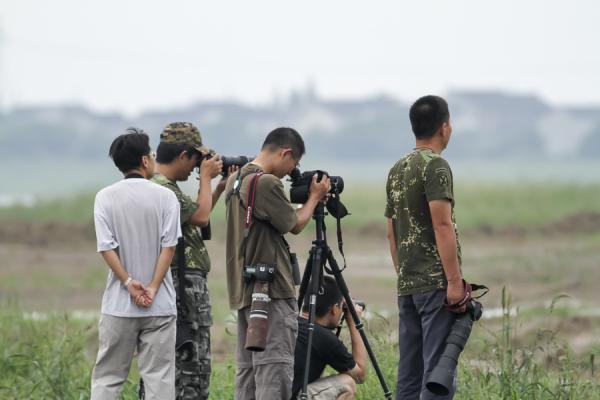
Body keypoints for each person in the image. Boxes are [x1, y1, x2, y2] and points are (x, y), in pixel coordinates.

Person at [225, 127, 330, 400]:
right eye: (293, 164)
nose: (290, 173)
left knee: (249, 374)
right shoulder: (266, 183)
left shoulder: (236, 179)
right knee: (274, 371)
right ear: (285, 153)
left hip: (247, 291)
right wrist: (315, 197)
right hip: (271, 294)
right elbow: (293, 224)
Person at [91, 128, 181, 400]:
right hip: (160, 305)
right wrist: (153, 287)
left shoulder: (105, 197)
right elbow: (169, 246)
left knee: (108, 378)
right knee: (160, 380)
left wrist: (129, 283)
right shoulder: (166, 197)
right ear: (144, 161)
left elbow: (106, 247)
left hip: (119, 306)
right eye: (151, 154)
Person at [385, 95, 465, 399]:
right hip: (435, 286)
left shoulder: (397, 168)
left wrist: (404, 276)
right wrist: (454, 283)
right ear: (444, 127)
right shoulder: (437, 166)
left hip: (407, 285)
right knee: (437, 374)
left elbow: (391, 233)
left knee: (409, 375)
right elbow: (442, 225)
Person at [151, 121, 231, 400]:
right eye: (197, 160)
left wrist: (218, 188)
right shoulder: (163, 188)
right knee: (190, 368)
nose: (197, 166)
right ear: (184, 155)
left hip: (182, 282)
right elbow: (201, 217)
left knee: (185, 368)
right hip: (183, 285)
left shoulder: (162, 186)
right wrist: (207, 179)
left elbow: (194, 216)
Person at [292, 276, 367, 400]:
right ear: (334, 309)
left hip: (269, 393)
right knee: (348, 383)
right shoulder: (324, 337)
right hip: (294, 396)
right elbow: (360, 375)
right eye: (341, 306)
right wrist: (354, 322)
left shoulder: (291, 323)